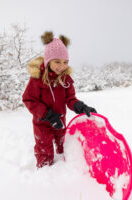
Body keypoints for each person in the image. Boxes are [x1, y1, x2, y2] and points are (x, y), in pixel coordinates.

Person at [22, 31, 97, 168]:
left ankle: (64, 167)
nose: (61, 66)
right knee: (44, 146)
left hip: (60, 120)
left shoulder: (65, 79)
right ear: (48, 60)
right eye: (57, 62)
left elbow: (70, 98)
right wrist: (46, 114)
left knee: (64, 144)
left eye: (65, 62)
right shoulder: (37, 79)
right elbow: (29, 99)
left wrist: (79, 106)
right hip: (42, 122)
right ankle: (45, 171)